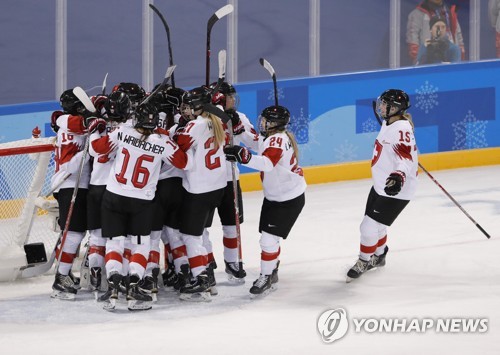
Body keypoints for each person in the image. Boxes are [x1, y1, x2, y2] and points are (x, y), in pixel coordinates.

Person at [91, 102, 191, 310]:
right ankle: (134, 286)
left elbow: (97, 149)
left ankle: (112, 286)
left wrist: (109, 130)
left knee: (115, 242)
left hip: (114, 197)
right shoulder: (162, 141)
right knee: (139, 244)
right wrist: (167, 138)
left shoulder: (122, 133)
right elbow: (184, 163)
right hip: (142, 202)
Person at [223, 105, 306, 298]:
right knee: (269, 238)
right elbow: (254, 142)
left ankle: (267, 275)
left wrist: (243, 156)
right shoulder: (271, 137)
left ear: (274, 124)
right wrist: (238, 127)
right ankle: (272, 267)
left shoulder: (277, 140)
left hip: (287, 199)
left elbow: (267, 164)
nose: (261, 122)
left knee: (268, 239)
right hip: (277, 196)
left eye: (265, 120)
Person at [346, 89, 418, 282]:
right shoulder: (390, 123)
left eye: (385, 104)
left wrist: (398, 176)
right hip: (381, 185)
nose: (381, 107)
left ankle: (365, 260)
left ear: (395, 108)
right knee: (377, 225)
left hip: (395, 188)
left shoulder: (401, 128)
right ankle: (379, 256)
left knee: (368, 228)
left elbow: (404, 158)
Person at [50, 89, 104, 300]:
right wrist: (90, 143)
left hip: (80, 185)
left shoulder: (68, 120)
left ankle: (64, 274)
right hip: (70, 185)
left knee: (78, 233)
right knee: (73, 234)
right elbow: (70, 164)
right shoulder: (66, 123)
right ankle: (60, 278)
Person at [175, 86, 227, 301]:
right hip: (217, 187)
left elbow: (179, 146)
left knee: (190, 235)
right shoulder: (217, 121)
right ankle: (209, 275)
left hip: (199, 189)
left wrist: (176, 130)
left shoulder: (195, 125)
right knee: (202, 232)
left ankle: (201, 278)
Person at [210, 81, 259, 284]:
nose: (233, 100)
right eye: (229, 96)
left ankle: (232, 262)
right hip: (206, 182)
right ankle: (203, 264)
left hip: (231, 179)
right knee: (200, 227)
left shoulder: (241, 117)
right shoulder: (205, 120)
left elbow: (256, 143)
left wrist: (240, 130)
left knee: (232, 225)